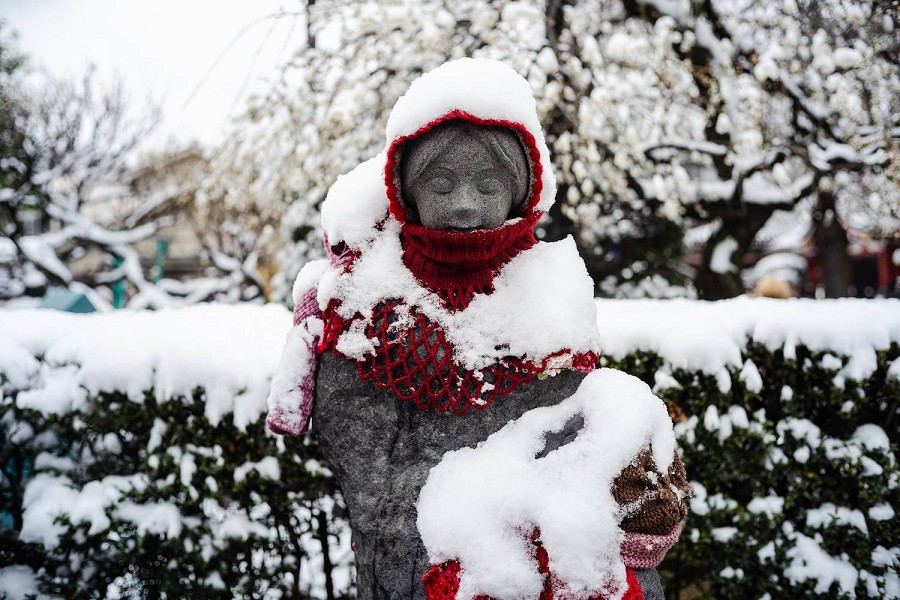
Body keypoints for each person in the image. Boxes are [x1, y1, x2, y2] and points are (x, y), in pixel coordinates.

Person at [266, 58, 689, 600]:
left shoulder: (553, 292)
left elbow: (568, 433)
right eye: (441, 184)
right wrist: (470, 533)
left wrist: (621, 472)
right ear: (406, 192)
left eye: (488, 183)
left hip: (539, 552)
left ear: (520, 193)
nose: (465, 204)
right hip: (416, 560)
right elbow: (372, 484)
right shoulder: (364, 304)